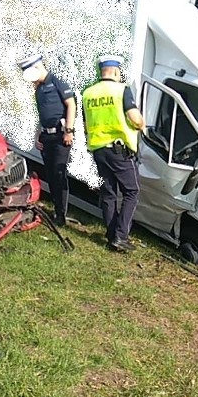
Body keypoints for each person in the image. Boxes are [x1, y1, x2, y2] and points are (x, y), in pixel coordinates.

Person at [81, 54, 145, 252]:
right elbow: (135, 118)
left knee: (108, 194)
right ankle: (120, 236)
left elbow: (85, 123)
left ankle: (111, 235)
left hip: (99, 150)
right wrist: (142, 124)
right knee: (131, 192)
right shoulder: (121, 90)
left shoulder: (88, 93)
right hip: (119, 151)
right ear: (116, 71)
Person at [18, 53, 77, 226]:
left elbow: (71, 104)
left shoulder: (57, 81)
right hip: (46, 136)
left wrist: (69, 131)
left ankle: (61, 214)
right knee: (51, 175)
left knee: (59, 174)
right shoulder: (39, 89)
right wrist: (38, 134)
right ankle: (57, 209)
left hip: (60, 135)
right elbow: (41, 114)